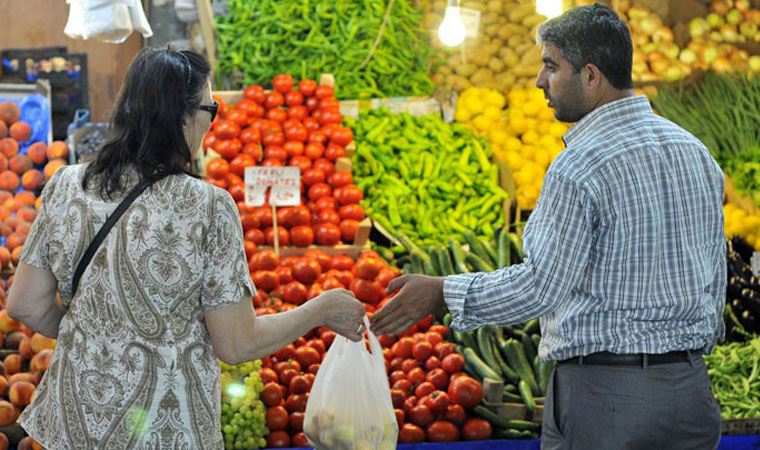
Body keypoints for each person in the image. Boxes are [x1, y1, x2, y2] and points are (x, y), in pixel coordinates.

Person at [371, 4, 725, 449]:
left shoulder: (579, 166)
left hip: (607, 399)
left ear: (591, 76)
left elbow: (542, 285)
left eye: (551, 67)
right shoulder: (695, 152)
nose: (540, 81)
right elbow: (717, 276)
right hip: (691, 393)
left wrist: (443, 291)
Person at [7, 48, 366, 449]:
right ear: (181, 117)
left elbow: (24, 304)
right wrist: (319, 309)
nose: (211, 122)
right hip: (165, 431)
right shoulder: (208, 207)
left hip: (73, 424)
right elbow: (237, 344)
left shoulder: (67, 185)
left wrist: (102, 335)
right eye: (210, 109)